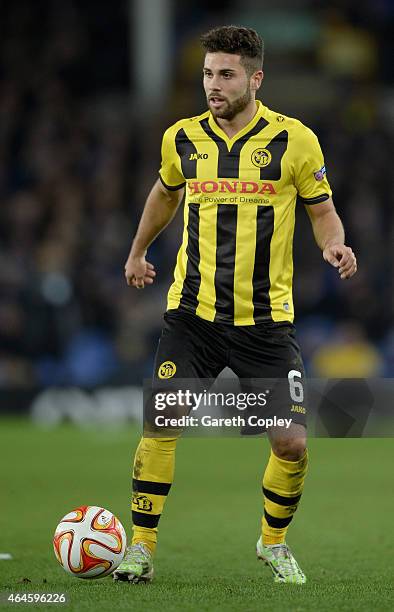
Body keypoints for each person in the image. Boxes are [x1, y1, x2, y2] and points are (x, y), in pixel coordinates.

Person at [113, 25, 357, 585]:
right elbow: (164, 192)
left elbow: (322, 210)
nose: (213, 85)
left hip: (266, 324)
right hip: (192, 317)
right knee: (162, 422)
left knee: (292, 443)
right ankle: (142, 549)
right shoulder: (181, 138)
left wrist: (334, 244)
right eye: (207, 74)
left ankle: (273, 544)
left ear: (255, 78)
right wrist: (137, 250)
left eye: (226, 75)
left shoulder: (295, 141)